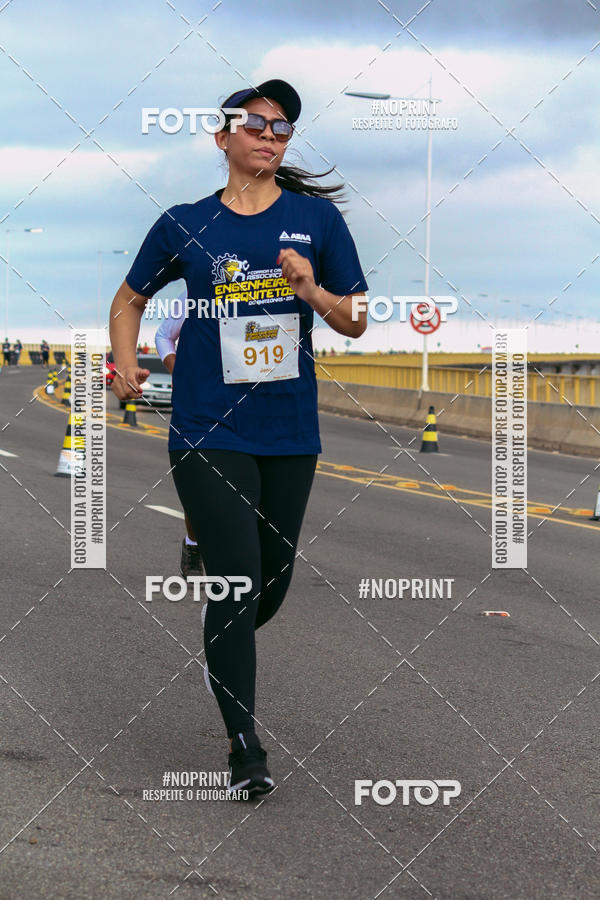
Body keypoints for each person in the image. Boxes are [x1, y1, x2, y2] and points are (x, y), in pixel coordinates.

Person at [109, 78, 368, 797]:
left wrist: (312, 290)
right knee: (237, 584)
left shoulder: (316, 223)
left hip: (288, 429)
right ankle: (244, 747)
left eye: (281, 128)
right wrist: (126, 361)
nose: (269, 135)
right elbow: (129, 300)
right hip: (204, 428)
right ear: (222, 138)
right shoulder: (185, 224)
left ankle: (203, 561)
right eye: (254, 124)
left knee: (272, 587)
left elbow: (355, 319)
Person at [154, 291, 205, 579]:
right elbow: (163, 336)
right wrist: (180, 371)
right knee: (197, 484)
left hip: (248, 401)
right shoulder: (190, 296)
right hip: (197, 402)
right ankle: (193, 543)